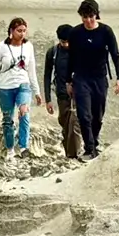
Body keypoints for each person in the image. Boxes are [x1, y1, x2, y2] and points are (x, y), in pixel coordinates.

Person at [66, 0, 119, 160]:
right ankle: (89, 149)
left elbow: (115, 55)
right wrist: (68, 81)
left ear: (96, 15)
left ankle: (95, 143)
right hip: (81, 78)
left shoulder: (106, 31)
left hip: (99, 78)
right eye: (84, 17)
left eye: (91, 16)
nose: (88, 21)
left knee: (97, 116)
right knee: (84, 115)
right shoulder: (75, 33)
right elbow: (71, 58)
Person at [0, 17, 41, 159]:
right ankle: (10, 149)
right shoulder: (2, 47)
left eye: (24, 31)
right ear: (11, 31)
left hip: (23, 85)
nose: (22, 34)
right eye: (19, 31)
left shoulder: (28, 46)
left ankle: (23, 147)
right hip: (5, 87)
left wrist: (37, 91)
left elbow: (32, 70)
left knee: (24, 111)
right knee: (8, 120)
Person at [43, 23, 81, 159]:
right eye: (63, 42)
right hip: (61, 94)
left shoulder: (79, 51)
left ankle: (74, 156)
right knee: (65, 125)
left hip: (78, 93)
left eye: (68, 41)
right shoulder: (53, 53)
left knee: (75, 124)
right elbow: (47, 75)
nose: (66, 45)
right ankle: (68, 155)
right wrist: (48, 100)